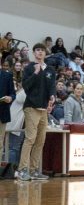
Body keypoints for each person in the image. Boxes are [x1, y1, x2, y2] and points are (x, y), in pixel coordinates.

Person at [17, 43, 56, 181]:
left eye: (42, 50)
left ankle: (33, 171)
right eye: (37, 50)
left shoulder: (51, 69)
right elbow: (26, 87)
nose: (40, 52)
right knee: (30, 138)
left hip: (44, 109)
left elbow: (52, 87)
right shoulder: (28, 68)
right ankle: (22, 170)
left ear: (45, 53)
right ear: (34, 53)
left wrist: (53, 96)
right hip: (31, 107)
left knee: (40, 141)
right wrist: (35, 73)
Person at [0, 65, 16, 161]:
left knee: (0, 142)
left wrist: (10, 98)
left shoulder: (7, 76)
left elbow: (13, 94)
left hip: (2, 112)